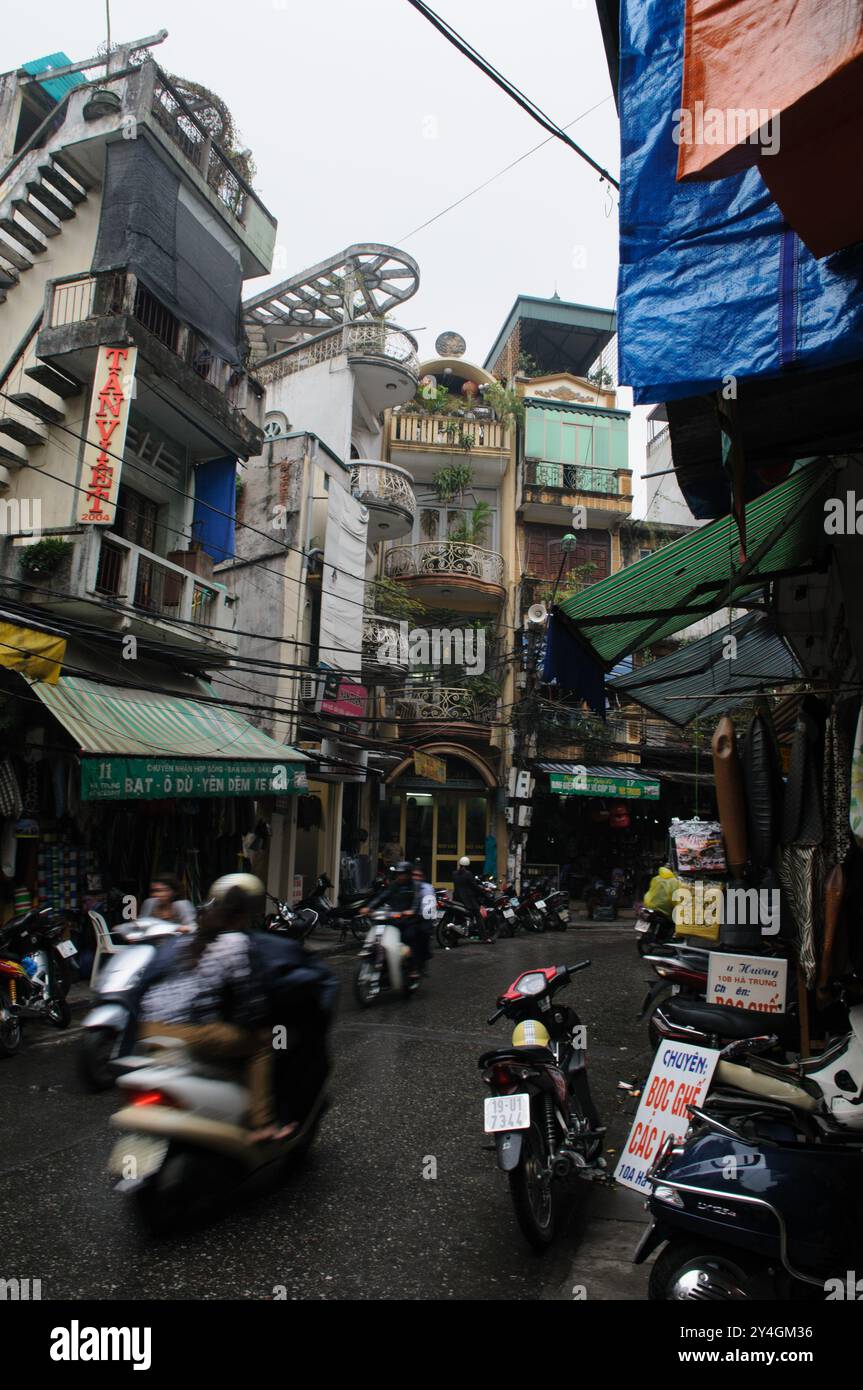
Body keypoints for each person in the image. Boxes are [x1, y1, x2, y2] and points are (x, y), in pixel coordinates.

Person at [136, 874, 292, 1143]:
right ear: (247, 914)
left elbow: (147, 983)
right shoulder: (238, 943)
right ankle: (262, 1124)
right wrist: (264, 1024)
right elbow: (251, 1002)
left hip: (148, 1028)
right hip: (189, 1032)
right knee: (263, 1046)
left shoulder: (182, 940)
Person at [361, 860, 426, 981]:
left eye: (403, 874)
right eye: (398, 874)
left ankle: (413, 968)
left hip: (408, 921)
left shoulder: (415, 885)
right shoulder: (394, 885)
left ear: (408, 874)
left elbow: (417, 901)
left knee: (409, 938)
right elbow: (382, 897)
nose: (400, 876)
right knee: (380, 935)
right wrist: (369, 908)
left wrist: (411, 911)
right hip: (393, 919)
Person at [452, 855, 492, 941]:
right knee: (478, 915)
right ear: (467, 865)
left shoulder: (454, 873)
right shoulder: (468, 874)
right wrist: (484, 889)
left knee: (458, 917)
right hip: (467, 900)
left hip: (456, 899)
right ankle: (484, 937)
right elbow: (474, 887)